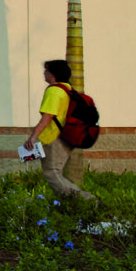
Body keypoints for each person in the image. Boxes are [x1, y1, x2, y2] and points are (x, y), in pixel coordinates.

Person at [22, 58, 92, 202]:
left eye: (46, 70)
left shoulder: (54, 91)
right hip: (66, 137)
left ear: (53, 74)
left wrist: (33, 137)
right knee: (54, 173)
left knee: (52, 174)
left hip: (55, 138)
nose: (44, 73)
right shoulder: (68, 89)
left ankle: (86, 201)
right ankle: (73, 203)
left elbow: (48, 116)